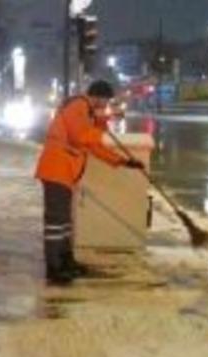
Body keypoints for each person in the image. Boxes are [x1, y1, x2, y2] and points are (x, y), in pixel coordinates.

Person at [35, 80, 145, 285]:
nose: (106, 105)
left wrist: (122, 161)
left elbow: (94, 147)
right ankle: (54, 267)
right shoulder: (78, 105)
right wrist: (103, 119)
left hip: (65, 173)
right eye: (105, 101)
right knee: (55, 223)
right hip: (56, 170)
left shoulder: (88, 112)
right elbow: (80, 137)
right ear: (97, 96)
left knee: (64, 222)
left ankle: (66, 260)